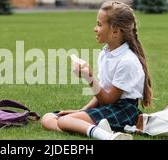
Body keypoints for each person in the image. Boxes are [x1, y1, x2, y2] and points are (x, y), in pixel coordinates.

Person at [41, 1, 153, 140]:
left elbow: (109, 99)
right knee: (48, 118)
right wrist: (83, 110)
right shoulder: (105, 53)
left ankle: (108, 137)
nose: (95, 28)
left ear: (115, 31)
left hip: (123, 111)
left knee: (64, 121)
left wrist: (89, 78)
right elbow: (102, 92)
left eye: (99, 25)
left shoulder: (127, 61)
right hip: (108, 106)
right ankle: (97, 130)